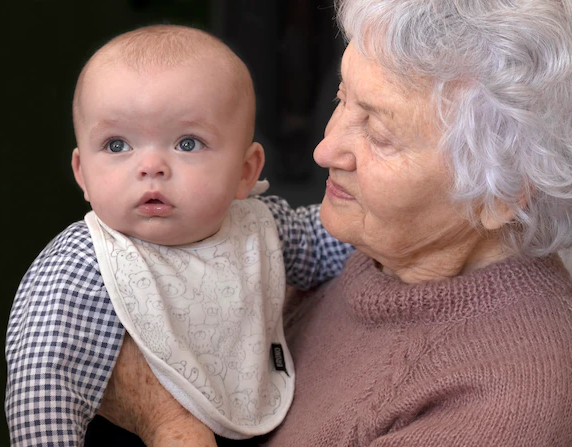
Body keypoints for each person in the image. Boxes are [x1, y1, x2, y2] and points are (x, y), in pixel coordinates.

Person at [96, 0, 572, 445]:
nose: (325, 150)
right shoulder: (358, 252)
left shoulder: (513, 403)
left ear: (501, 193)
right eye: (343, 100)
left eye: (380, 134)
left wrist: (166, 420)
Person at [4, 25, 354, 447]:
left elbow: (331, 241)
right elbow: (43, 385)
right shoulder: (84, 262)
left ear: (246, 171)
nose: (151, 166)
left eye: (188, 143)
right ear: (83, 174)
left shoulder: (261, 227)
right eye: (117, 145)